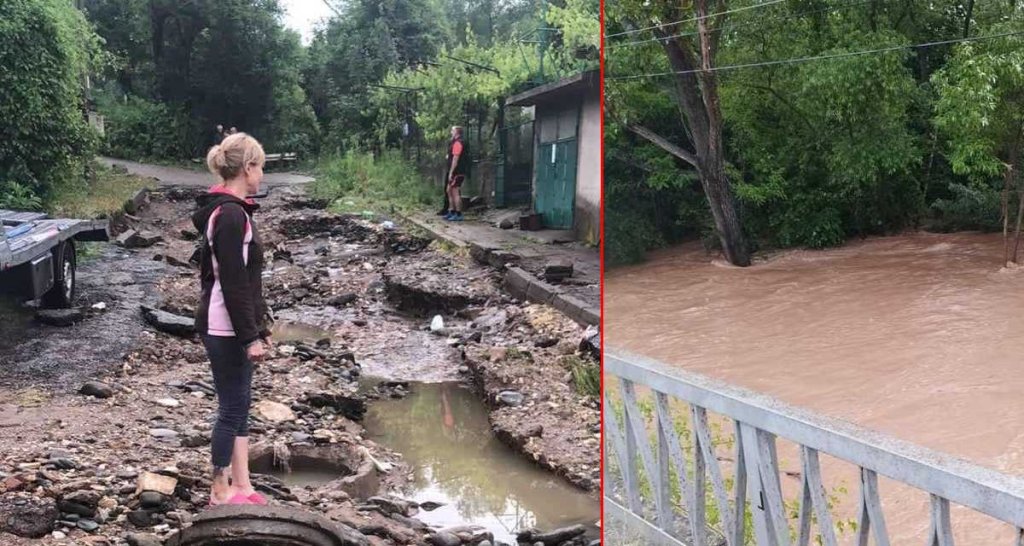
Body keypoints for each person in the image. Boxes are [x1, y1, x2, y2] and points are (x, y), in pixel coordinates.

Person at [191, 132, 272, 506]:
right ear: (247, 167)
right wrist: (249, 337)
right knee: (231, 408)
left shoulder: (233, 209)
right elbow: (234, 283)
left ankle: (244, 484)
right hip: (224, 326)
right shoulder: (229, 215)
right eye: (260, 167)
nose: (262, 176)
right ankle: (219, 490)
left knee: (242, 404)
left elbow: (249, 283)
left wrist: (261, 328)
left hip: (232, 324)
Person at [444, 126, 469, 222]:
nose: (451, 132)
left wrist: (451, 172)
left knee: (455, 192)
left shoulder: (458, 143)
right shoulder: (454, 142)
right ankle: (452, 211)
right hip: (456, 170)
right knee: (449, 190)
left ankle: (458, 213)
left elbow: (455, 159)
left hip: (457, 171)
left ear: (457, 132)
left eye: (452, 130)